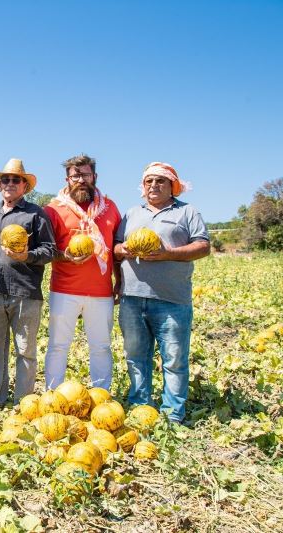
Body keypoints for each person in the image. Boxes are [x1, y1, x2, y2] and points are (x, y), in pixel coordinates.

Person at [114, 162, 210, 423]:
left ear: (172, 186)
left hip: (172, 299)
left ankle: (172, 415)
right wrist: (123, 251)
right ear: (143, 187)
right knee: (136, 356)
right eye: (148, 182)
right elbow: (116, 247)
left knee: (174, 359)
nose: (153, 186)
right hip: (132, 298)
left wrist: (168, 254)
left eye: (160, 181)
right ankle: (139, 407)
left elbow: (203, 246)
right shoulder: (132, 213)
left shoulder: (187, 212)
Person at [0, 159, 56, 406]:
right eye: (6, 179)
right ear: (0, 185)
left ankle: (24, 403)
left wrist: (27, 256)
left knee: (25, 352)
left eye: (15, 180)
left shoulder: (35, 214)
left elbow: (50, 250)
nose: (10, 183)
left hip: (25, 292)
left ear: (24, 186)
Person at [43, 154, 121, 391]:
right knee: (58, 345)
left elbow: (115, 248)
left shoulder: (110, 208)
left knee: (101, 346)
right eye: (75, 175)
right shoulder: (53, 209)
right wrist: (65, 255)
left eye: (85, 175)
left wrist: (120, 281)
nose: (80, 180)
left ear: (94, 177)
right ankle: (54, 394)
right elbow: (46, 249)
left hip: (101, 291)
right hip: (64, 289)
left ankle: (101, 394)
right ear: (67, 179)